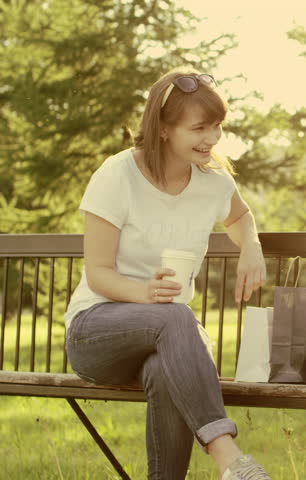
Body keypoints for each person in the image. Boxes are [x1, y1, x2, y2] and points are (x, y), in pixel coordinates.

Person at [64, 70, 271, 480]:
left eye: (217, 127)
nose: (212, 139)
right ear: (163, 129)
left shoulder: (213, 182)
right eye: (199, 128)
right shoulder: (118, 174)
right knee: (178, 315)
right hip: (97, 329)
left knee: (167, 364)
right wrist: (145, 293)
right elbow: (99, 273)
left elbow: (241, 215)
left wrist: (251, 246)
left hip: (168, 341)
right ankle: (229, 459)